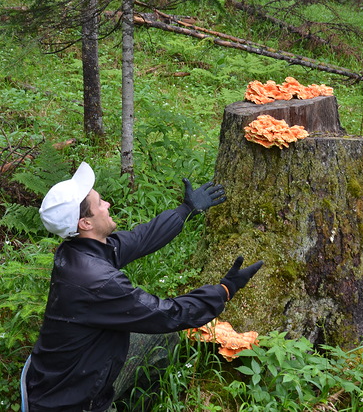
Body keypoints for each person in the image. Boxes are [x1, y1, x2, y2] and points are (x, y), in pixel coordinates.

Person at [25, 161, 263, 411]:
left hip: (60, 380)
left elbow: (140, 239)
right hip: (72, 403)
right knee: (166, 331)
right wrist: (223, 291)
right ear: (85, 223)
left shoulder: (78, 251)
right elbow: (167, 314)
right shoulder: (97, 280)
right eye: (100, 204)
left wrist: (186, 210)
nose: (108, 205)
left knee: (163, 341)